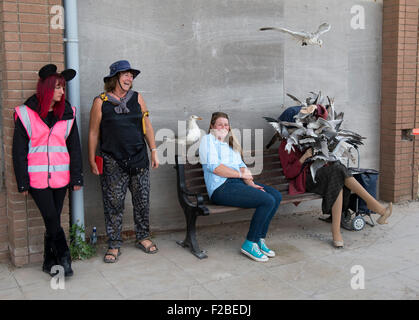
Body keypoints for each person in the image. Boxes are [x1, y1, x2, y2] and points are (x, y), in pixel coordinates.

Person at [278, 105, 393, 248]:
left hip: (321, 173)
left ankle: (337, 233)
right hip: (305, 179)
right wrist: (305, 156)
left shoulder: (309, 135)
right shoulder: (285, 145)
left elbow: (322, 113)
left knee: (336, 173)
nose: (304, 123)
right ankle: (375, 207)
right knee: (337, 172)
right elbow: (289, 173)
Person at [13, 64, 83, 277]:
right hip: (37, 179)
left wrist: (77, 177)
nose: (63, 92)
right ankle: (64, 257)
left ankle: (48, 262)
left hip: (61, 177)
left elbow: (75, 147)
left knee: (50, 221)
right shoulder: (25, 114)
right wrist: (22, 181)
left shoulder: (68, 113)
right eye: (58, 87)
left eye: (63, 88)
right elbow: (18, 151)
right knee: (52, 218)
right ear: (46, 89)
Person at [88, 60, 159, 263]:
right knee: (114, 204)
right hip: (112, 162)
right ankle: (114, 244)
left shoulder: (137, 98)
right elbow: (93, 132)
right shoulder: (100, 102)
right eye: (125, 74)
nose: (129, 78)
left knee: (142, 201)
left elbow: (147, 125)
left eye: (131, 75)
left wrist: (153, 150)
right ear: (114, 78)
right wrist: (92, 158)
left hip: (139, 158)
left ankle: (143, 237)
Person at [199, 112, 282, 262]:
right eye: (220, 124)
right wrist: (240, 175)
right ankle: (250, 243)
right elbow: (215, 168)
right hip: (220, 188)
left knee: (276, 196)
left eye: (226, 124)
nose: (223, 127)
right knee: (266, 200)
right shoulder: (207, 140)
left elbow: (243, 168)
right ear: (212, 126)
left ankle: (259, 240)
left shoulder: (230, 144)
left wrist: (252, 184)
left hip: (237, 184)